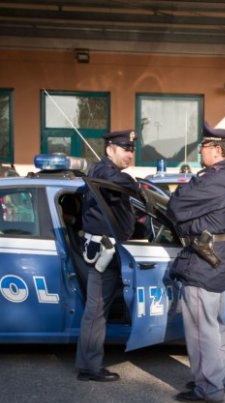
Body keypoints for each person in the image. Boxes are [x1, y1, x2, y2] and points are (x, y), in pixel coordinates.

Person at [168, 121, 225, 403]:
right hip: (216, 253)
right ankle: (218, 378)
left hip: (204, 257)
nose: (200, 151)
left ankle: (208, 388)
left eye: (203, 146)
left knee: (201, 329)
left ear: (217, 149)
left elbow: (176, 205)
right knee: (213, 324)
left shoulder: (215, 178)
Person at [75, 129, 140, 382]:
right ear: (110, 149)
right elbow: (124, 183)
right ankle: (89, 367)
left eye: (132, 150)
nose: (130, 154)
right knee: (96, 311)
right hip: (104, 253)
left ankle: (88, 364)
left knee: (98, 310)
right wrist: (135, 184)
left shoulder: (110, 172)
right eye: (125, 149)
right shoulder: (103, 171)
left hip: (113, 251)